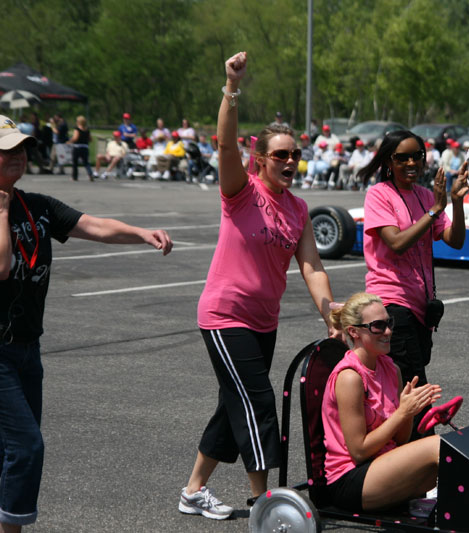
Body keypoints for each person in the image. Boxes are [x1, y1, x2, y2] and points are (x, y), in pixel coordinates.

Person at [180, 52, 341, 520]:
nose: (290, 161)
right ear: (261, 159)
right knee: (258, 402)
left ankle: (193, 491)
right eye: (280, 155)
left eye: (295, 154)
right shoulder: (242, 191)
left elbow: (311, 267)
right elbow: (225, 144)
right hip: (224, 315)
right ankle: (264, 504)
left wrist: (331, 313)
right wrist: (231, 86)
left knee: (234, 409)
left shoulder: (298, 209)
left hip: (262, 322)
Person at [0, 114, 173, 533]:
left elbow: (93, 226)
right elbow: (1, 267)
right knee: (26, 448)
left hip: (27, 350)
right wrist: (1, 210)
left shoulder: (36, 205)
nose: (18, 157)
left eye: (21, 149)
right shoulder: (6, 208)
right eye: (7, 151)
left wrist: (141, 232)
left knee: (10, 448)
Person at [356, 129, 467, 439]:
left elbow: (455, 241)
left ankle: (398, 451)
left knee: (404, 387)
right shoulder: (379, 194)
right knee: (415, 387)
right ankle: (422, 458)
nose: (410, 163)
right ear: (388, 162)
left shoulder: (425, 195)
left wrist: (455, 203)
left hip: (420, 308)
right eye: (401, 157)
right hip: (392, 303)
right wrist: (435, 210)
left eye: (416, 156)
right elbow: (396, 244)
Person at [322, 292, 442, 512]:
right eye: (378, 326)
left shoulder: (391, 368)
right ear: (353, 332)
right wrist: (401, 413)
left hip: (379, 467)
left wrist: (407, 413)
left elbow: (400, 439)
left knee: (456, 449)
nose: (388, 332)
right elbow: (358, 451)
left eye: (389, 323)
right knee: (438, 447)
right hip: (350, 478)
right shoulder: (350, 377)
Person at [65, 116, 93, 182]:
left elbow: (75, 138)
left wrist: (69, 141)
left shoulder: (77, 129)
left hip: (77, 147)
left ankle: (75, 177)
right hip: (85, 147)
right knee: (86, 162)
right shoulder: (87, 129)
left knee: (75, 163)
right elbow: (90, 139)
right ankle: (90, 174)